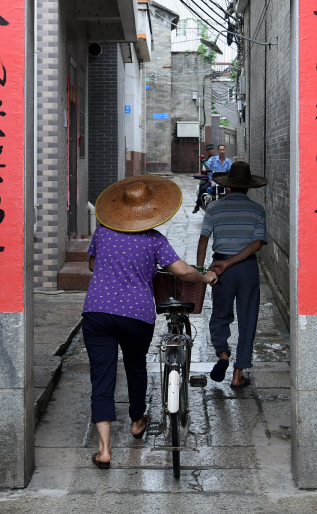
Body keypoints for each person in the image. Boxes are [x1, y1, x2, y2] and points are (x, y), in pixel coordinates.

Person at [84, 175, 219, 469]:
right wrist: (204, 275)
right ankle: (136, 421)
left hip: (97, 312)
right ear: (149, 210)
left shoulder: (103, 232)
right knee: (135, 366)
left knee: (102, 377)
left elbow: (93, 264)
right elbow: (182, 271)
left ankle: (104, 449)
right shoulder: (154, 240)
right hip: (136, 314)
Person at [196, 160, 267, 389]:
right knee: (248, 319)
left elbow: (203, 239)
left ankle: (223, 354)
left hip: (219, 269)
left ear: (228, 187)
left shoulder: (215, 208)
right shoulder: (257, 210)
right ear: (248, 187)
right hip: (246, 269)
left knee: (219, 314)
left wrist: (201, 271)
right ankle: (238, 374)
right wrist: (232, 262)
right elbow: (257, 244)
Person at [192, 143, 232, 213]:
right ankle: (197, 206)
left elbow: (232, 170)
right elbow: (206, 164)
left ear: (225, 150)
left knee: (233, 192)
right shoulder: (212, 159)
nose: (222, 151)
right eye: (220, 150)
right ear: (218, 151)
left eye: (223, 150)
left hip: (224, 183)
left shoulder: (228, 162)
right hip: (213, 182)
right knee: (202, 190)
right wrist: (204, 167)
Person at [192, 143, 215, 213]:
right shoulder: (204, 160)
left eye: (211, 149)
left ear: (214, 150)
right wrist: (206, 170)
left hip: (217, 179)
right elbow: (203, 170)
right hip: (207, 179)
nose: (210, 151)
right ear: (206, 151)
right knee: (202, 188)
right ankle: (197, 205)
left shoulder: (217, 159)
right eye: (208, 150)